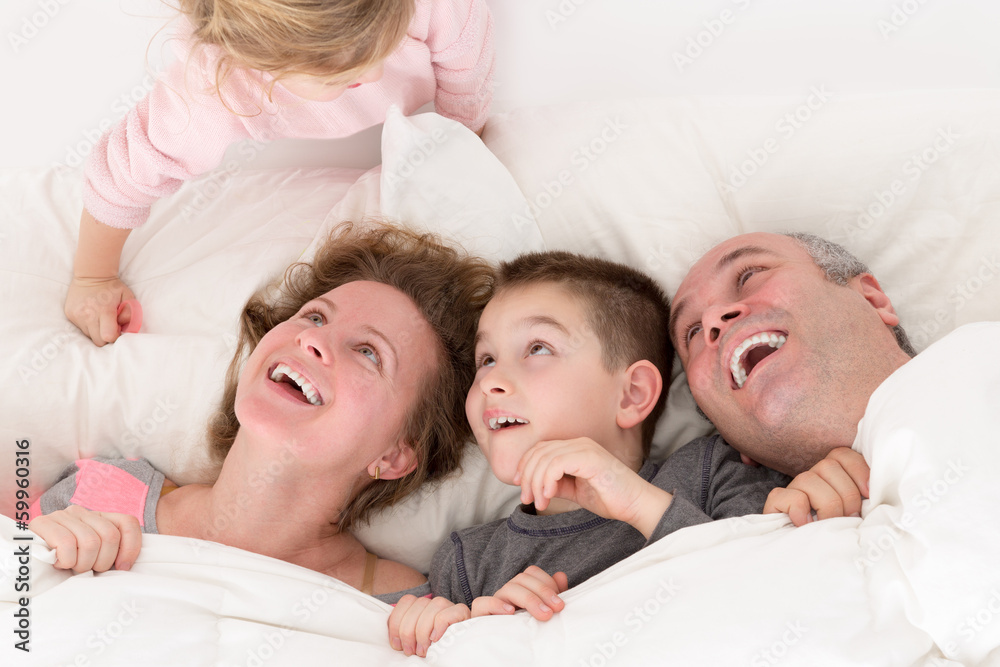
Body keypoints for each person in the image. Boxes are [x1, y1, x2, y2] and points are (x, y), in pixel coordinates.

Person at [388, 250, 852, 658]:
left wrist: (638, 504)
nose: (490, 380)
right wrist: (449, 632)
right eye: (486, 359)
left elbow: (767, 594)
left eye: (537, 348)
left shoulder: (713, 470)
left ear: (632, 394)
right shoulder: (469, 562)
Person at [29, 221, 494, 603]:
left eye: (369, 352)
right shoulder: (100, 495)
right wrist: (33, 551)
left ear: (395, 454)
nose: (312, 339)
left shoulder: (404, 606)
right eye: (315, 316)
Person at [65, 0, 494, 346]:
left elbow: (466, 71)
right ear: (259, 62)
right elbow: (121, 175)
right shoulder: (216, 90)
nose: (376, 71)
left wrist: (462, 144)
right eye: (342, 75)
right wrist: (93, 276)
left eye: (388, 40)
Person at [668, 230, 915, 520]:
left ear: (872, 299)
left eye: (750, 276)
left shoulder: (979, 354)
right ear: (728, 436)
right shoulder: (758, 547)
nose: (712, 321)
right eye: (693, 333)